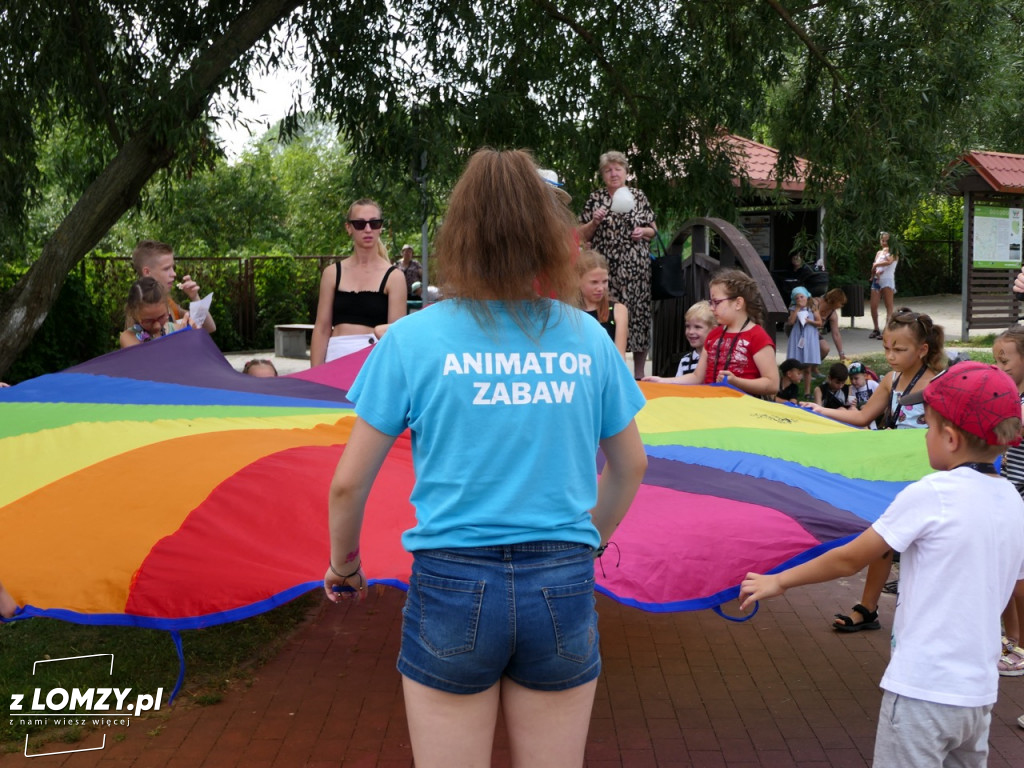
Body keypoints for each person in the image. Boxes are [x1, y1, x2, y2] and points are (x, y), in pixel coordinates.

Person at [323, 148, 648, 768]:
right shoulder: (588, 337)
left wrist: (345, 567)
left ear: (460, 234)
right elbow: (631, 466)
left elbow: (347, 486)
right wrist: (588, 542)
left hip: (451, 580)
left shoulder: (413, 339)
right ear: (548, 235)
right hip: (562, 578)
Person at [740, 362, 1024, 768]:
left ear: (949, 437)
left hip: (922, 689)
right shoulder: (1013, 501)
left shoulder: (934, 494)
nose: (924, 435)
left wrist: (780, 580)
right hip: (977, 695)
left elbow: (851, 557)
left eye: (927, 426)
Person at [811, 308, 946, 631]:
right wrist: (819, 411)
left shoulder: (941, 382)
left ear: (923, 349)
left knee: (924, 547)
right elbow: (861, 417)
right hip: (893, 474)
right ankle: (867, 608)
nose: (891, 356)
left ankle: (924, 616)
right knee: (883, 538)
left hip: (928, 475)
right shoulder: (890, 379)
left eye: (899, 350)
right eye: (887, 348)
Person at [577, 151, 657, 379]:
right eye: (608, 170)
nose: (614, 173)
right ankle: (602, 367)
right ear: (602, 175)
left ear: (626, 172)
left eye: (618, 169)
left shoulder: (638, 196)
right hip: (605, 269)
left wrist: (644, 232)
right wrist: (594, 221)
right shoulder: (595, 199)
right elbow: (581, 235)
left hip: (636, 269)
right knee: (604, 312)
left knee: (639, 316)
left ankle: (639, 374)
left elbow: (654, 230)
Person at [642, 269, 779, 397]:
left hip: (743, 411)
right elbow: (697, 377)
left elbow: (772, 384)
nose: (712, 308)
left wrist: (737, 382)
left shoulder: (757, 336)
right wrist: (661, 381)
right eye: (711, 302)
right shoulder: (714, 335)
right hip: (711, 407)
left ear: (738, 303)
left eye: (717, 302)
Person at [310, 199, 407, 366]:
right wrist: (314, 375)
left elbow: (396, 336)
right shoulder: (332, 273)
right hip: (335, 356)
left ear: (380, 228)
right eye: (360, 224)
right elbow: (322, 328)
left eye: (374, 223)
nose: (368, 229)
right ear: (349, 228)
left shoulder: (394, 277)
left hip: (373, 359)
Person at [993, 326, 1024, 676]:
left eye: (1006, 361)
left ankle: (1021, 644)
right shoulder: (1010, 395)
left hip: (1021, 496)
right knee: (1005, 574)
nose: (999, 368)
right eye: (995, 361)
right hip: (1008, 492)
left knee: (1018, 580)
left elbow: (1012, 427)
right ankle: (1010, 638)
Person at [131, 239, 216, 334]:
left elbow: (209, 328)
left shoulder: (169, 302)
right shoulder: (137, 308)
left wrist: (195, 297)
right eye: (166, 269)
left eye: (173, 268)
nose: (174, 274)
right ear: (147, 272)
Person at [577, 249, 628, 360]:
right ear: (577, 281)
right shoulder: (568, 311)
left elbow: (620, 357)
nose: (601, 288)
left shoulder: (618, 310)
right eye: (594, 282)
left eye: (605, 281)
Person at [119, 277, 194, 348]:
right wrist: (178, 339)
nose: (157, 326)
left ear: (167, 309)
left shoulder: (176, 328)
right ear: (134, 314)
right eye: (148, 321)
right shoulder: (129, 338)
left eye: (161, 317)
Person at [785, 286, 821, 397]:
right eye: (797, 298)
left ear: (806, 296)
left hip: (809, 337)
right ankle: (789, 389)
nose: (800, 299)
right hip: (797, 336)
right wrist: (797, 309)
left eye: (802, 296)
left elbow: (819, 322)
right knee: (794, 364)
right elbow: (790, 322)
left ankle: (807, 391)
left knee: (807, 367)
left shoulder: (812, 307)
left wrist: (809, 321)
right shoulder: (793, 308)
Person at [869, 232, 897, 339]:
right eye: (882, 240)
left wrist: (876, 264)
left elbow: (889, 262)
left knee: (888, 306)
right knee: (873, 306)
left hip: (887, 281)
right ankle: (876, 329)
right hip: (877, 280)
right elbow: (874, 265)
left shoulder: (894, 252)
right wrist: (873, 273)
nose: (884, 243)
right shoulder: (879, 253)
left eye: (886, 241)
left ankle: (887, 330)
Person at [675, 301, 715, 377]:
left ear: (713, 330)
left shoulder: (719, 358)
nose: (690, 332)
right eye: (687, 326)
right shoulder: (685, 361)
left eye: (697, 327)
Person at [815, 288, 848, 360]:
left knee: (825, 349)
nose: (841, 306)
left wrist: (841, 353)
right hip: (802, 331)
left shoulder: (833, 314)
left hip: (815, 333)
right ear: (835, 300)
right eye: (841, 303)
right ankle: (805, 368)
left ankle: (813, 367)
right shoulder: (816, 303)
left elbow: (836, 334)